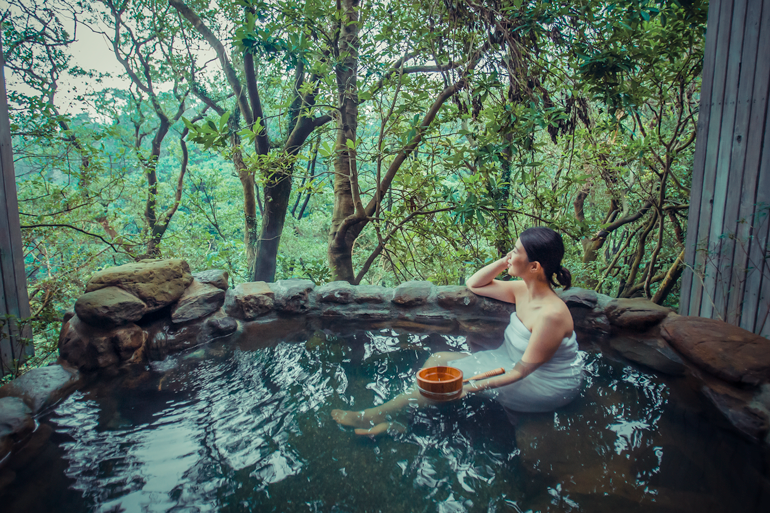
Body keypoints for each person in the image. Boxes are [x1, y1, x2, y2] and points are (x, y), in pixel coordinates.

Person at [331, 226, 583, 435]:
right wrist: (505, 261)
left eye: (515, 251)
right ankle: (402, 423)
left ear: (535, 266)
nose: (509, 254)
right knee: (439, 362)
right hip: (511, 363)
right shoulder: (521, 289)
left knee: (442, 384)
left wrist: (468, 387)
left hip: (543, 383)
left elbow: (521, 371)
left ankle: (372, 417)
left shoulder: (551, 315)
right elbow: (474, 284)